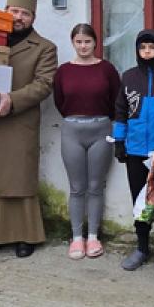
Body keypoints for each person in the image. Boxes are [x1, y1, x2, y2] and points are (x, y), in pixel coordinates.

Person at [0, 0, 57, 258]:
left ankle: (25, 236)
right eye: (14, 11)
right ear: (4, 11)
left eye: (25, 13)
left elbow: (44, 84)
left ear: (33, 18)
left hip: (19, 120)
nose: (18, 17)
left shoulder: (44, 47)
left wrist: (12, 100)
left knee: (19, 180)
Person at [54, 23, 120, 260]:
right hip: (72, 130)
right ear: (73, 43)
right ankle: (76, 237)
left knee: (95, 186)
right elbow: (60, 101)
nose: (83, 46)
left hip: (101, 129)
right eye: (79, 42)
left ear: (95, 43)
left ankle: (92, 236)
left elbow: (116, 99)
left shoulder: (107, 69)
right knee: (76, 187)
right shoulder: (63, 71)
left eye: (87, 41)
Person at [112, 29, 154, 273]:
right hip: (136, 150)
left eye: (152, 47)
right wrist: (119, 141)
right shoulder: (129, 77)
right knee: (140, 200)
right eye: (142, 48)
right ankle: (141, 246)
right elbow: (120, 110)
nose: (147, 52)